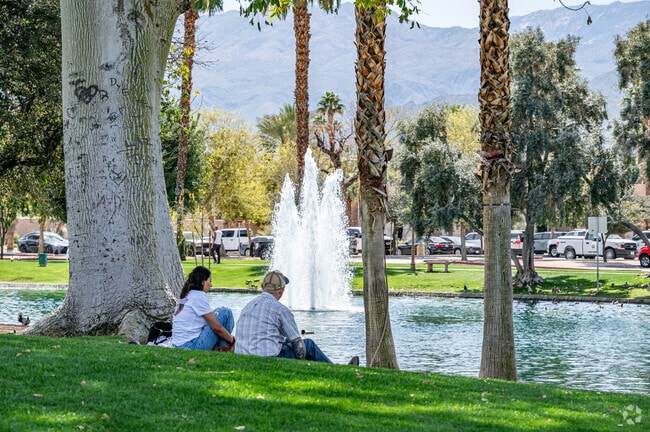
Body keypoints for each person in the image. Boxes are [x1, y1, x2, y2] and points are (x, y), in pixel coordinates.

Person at [235, 270, 359, 365]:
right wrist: (300, 362)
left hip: (244, 358)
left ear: (262, 287)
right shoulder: (280, 310)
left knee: (286, 341)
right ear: (282, 290)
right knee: (308, 344)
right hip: (268, 360)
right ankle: (336, 371)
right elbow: (298, 345)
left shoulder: (248, 306)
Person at [172, 266, 235, 351]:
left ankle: (220, 348)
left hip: (178, 345)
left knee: (216, 312)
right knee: (226, 312)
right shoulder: (199, 295)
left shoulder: (188, 295)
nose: (211, 285)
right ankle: (223, 348)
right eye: (210, 281)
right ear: (202, 282)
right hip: (191, 346)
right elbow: (217, 328)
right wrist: (232, 340)